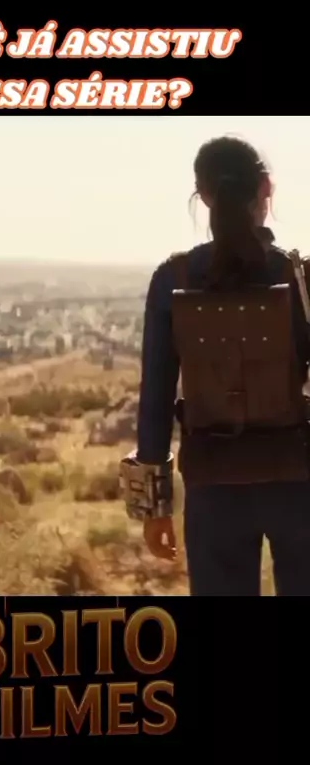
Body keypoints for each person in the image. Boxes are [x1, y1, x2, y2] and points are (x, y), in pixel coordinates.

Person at [120, 135, 310, 596]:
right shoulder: (300, 276)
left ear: (203, 195)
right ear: (266, 189)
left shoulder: (174, 278)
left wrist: (154, 509)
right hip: (298, 481)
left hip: (212, 485)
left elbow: (155, 398)